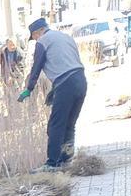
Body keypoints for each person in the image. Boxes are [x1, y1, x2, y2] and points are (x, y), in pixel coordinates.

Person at [19, 15, 87, 168]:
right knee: (69, 124)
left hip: (66, 83)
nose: (35, 40)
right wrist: (56, 90)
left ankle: (52, 164)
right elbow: (70, 63)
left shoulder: (43, 41)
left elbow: (36, 67)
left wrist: (28, 89)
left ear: (38, 32)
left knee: (55, 125)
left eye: (34, 36)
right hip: (81, 81)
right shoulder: (65, 37)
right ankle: (66, 159)